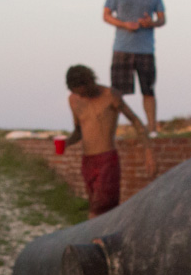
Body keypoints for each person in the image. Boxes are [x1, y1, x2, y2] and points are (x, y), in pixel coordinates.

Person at [65, 64, 157, 217]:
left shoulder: (110, 95)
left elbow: (136, 122)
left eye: (83, 92)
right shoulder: (73, 100)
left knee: (100, 207)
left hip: (107, 159)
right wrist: (66, 142)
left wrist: (149, 153)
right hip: (87, 160)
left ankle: (93, 238)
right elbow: (79, 131)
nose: (82, 96)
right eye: (77, 93)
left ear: (89, 82)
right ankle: (99, 238)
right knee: (95, 204)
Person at [104, 0, 166, 135]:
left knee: (148, 90)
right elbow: (106, 15)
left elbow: (162, 19)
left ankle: (152, 129)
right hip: (122, 47)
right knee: (117, 92)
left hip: (145, 49)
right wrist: (124, 24)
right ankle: (112, 130)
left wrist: (151, 23)